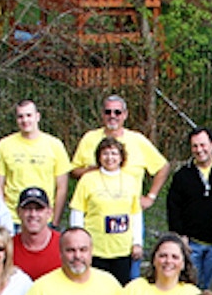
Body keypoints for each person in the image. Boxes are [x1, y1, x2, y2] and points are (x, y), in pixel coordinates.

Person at [69, 96, 170, 220]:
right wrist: (94, 170)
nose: (112, 116)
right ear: (102, 114)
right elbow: (73, 171)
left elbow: (163, 167)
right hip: (95, 212)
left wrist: (151, 197)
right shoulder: (89, 138)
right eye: (108, 112)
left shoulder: (138, 140)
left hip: (130, 214)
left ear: (125, 115)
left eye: (117, 112)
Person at [70, 137, 147, 285]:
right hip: (96, 248)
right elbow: (77, 211)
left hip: (122, 249)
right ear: (99, 157)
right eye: (105, 153)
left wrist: (137, 242)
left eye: (114, 154)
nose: (110, 158)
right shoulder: (88, 179)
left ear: (121, 157)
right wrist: (79, 241)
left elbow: (136, 214)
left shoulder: (131, 181)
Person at [0, 100, 72, 222]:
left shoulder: (55, 145)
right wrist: (3, 217)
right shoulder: (4, 145)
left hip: (44, 218)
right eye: (20, 116)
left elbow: (62, 187)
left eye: (29, 115)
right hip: (13, 219)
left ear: (37, 117)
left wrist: (55, 220)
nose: (25, 120)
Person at [166, 127, 212, 282]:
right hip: (192, 245)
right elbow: (173, 207)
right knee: (191, 285)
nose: (199, 150)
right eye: (195, 146)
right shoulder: (182, 175)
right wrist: (180, 236)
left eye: (203, 145)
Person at [11, 187, 61, 280]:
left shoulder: (64, 245)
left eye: (39, 209)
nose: (33, 214)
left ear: (49, 212)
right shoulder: (6, 248)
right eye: (27, 209)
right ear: (18, 212)